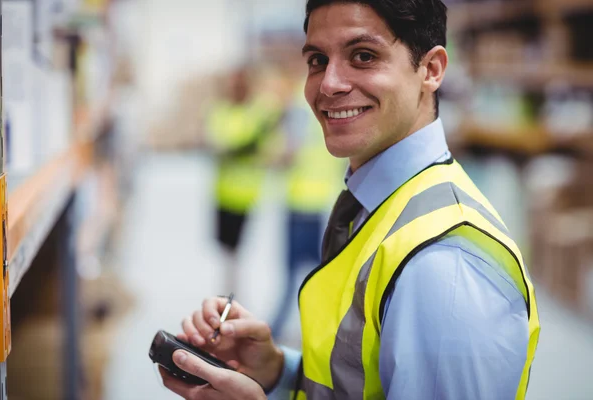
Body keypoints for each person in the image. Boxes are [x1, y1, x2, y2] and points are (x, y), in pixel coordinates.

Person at [161, 1, 541, 399]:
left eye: (363, 56)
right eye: (317, 60)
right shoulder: (380, 206)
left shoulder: (445, 269)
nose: (328, 84)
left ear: (430, 70)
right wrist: (279, 371)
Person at [270, 80, 344, 341]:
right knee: (319, 271)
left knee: (293, 273)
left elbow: (290, 152)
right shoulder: (328, 108)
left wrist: (271, 155)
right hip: (325, 201)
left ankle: (277, 330)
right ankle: (323, 330)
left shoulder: (299, 109)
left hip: (300, 201)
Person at [205, 67, 282, 294]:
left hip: (246, 194)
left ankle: (234, 296)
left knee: (240, 252)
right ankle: (227, 293)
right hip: (222, 192)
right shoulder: (221, 111)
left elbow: (267, 148)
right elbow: (218, 143)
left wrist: (241, 148)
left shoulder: (259, 112)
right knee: (225, 251)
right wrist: (240, 148)